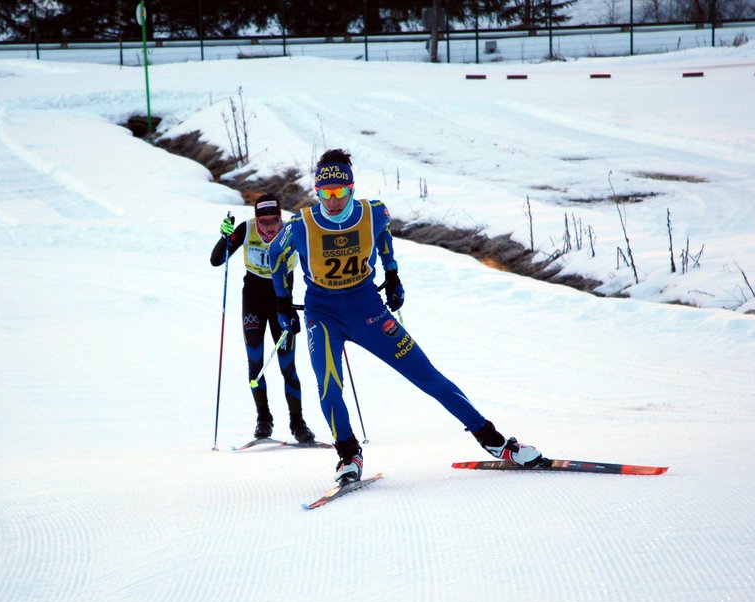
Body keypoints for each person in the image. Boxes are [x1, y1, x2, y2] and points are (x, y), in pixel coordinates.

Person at [268, 149, 543, 483]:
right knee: (329, 386)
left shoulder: (375, 213)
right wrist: (283, 302)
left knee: (427, 376)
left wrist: (393, 274)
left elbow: (384, 239)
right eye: (326, 193)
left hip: (368, 310)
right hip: (323, 315)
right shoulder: (302, 224)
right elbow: (275, 256)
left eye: (340, 192)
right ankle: (348, 456)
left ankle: (495, 442)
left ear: (351, 188)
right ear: (318, 191)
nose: (333, 200)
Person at [210, 193, 316, 444]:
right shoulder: (246, 229)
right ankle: (264, 419)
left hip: (283, 304)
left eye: (274, 221)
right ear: (256, 220)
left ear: (281, 218)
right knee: (255, 363)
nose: (270, 227)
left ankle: (298, 423)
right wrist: (226, 237)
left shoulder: (291, 230)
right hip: (254, 302)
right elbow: (216, 261)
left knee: (287, 367)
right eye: (264, 222)